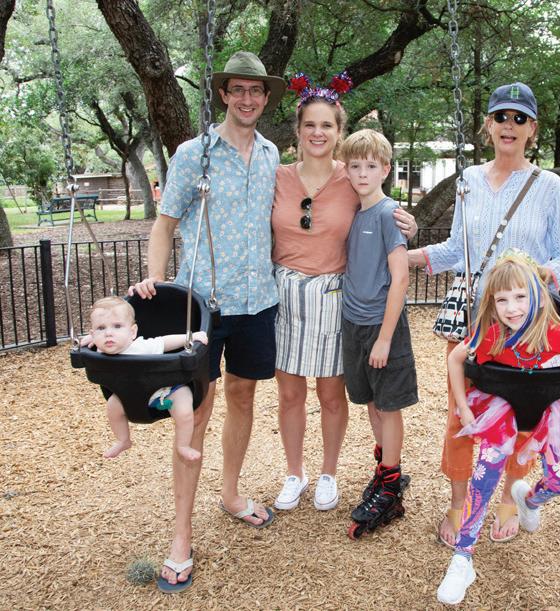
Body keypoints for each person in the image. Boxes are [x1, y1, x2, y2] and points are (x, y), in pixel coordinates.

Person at [130, 51, 286, 593]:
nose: (247, 99)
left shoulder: (271, 154)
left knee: (243, 395)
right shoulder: (192, 154)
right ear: (223, 94)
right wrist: (154, 284)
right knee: (196, 411)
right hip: (202, 305)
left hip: (257, 301)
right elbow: (163, 225)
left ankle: (231, 493)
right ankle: (180, 536)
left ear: (266, 97)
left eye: (256, 90)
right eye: (237, 89)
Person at [407, 82, 560, 547]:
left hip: (525, 322)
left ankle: (509, 496)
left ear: (532, 129)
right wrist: (407, 257)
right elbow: (457, 249)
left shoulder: (548, 186)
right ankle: (459, 502)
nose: (510, 125)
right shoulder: (468, 179)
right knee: (461, 413)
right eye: (501, 117)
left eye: (519, 118)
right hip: (474, 315)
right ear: (488, 125)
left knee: (523, 412)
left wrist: (535, 278)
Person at [270, 73, 416, 512]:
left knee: (331, 394)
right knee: (290, 394)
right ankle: (294, 472)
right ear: (298, 131)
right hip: (286, 293)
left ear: (339, 131)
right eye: (309, 125)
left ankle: (329, 473)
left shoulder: (350, 178)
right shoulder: (277, 177)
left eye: (327, 125)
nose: (318, 133)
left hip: (335, 296)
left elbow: (382, 209)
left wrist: (408, 225)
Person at [436, 250, 560, 605]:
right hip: (503, 406)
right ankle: (463, 558)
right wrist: (462, 406)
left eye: (520, 297)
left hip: (553, 408)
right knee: (487, 468)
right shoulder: (492, 336)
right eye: (502, 300)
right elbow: (457, 359)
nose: (512, 308)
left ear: (540, 297)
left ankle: (530, 501)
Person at [339, 129, 418, 529]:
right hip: (353, 322)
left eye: (371, 166)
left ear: (386, 169)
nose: (362, 173)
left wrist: (385, 338)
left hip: (381, 325)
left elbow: (400, 277)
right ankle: (386, 469)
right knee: (371, 402)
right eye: (355, 166)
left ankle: (390, 487)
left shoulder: (389, 214)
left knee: (388, 406)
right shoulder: (354, 212)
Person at [85, 296, 207, 462]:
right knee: (112, 407)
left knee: (185, 410)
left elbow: (165, 342)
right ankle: (123, 440)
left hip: (166, 391)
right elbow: (89, 343)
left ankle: (183, 445)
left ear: (132, 332)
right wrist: (89, 340)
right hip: (129, 396)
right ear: (93, 334)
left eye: (117, 326)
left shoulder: (141, 347)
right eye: (101, 328)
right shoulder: (100, 351)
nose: (108, 333)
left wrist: (190, 337)